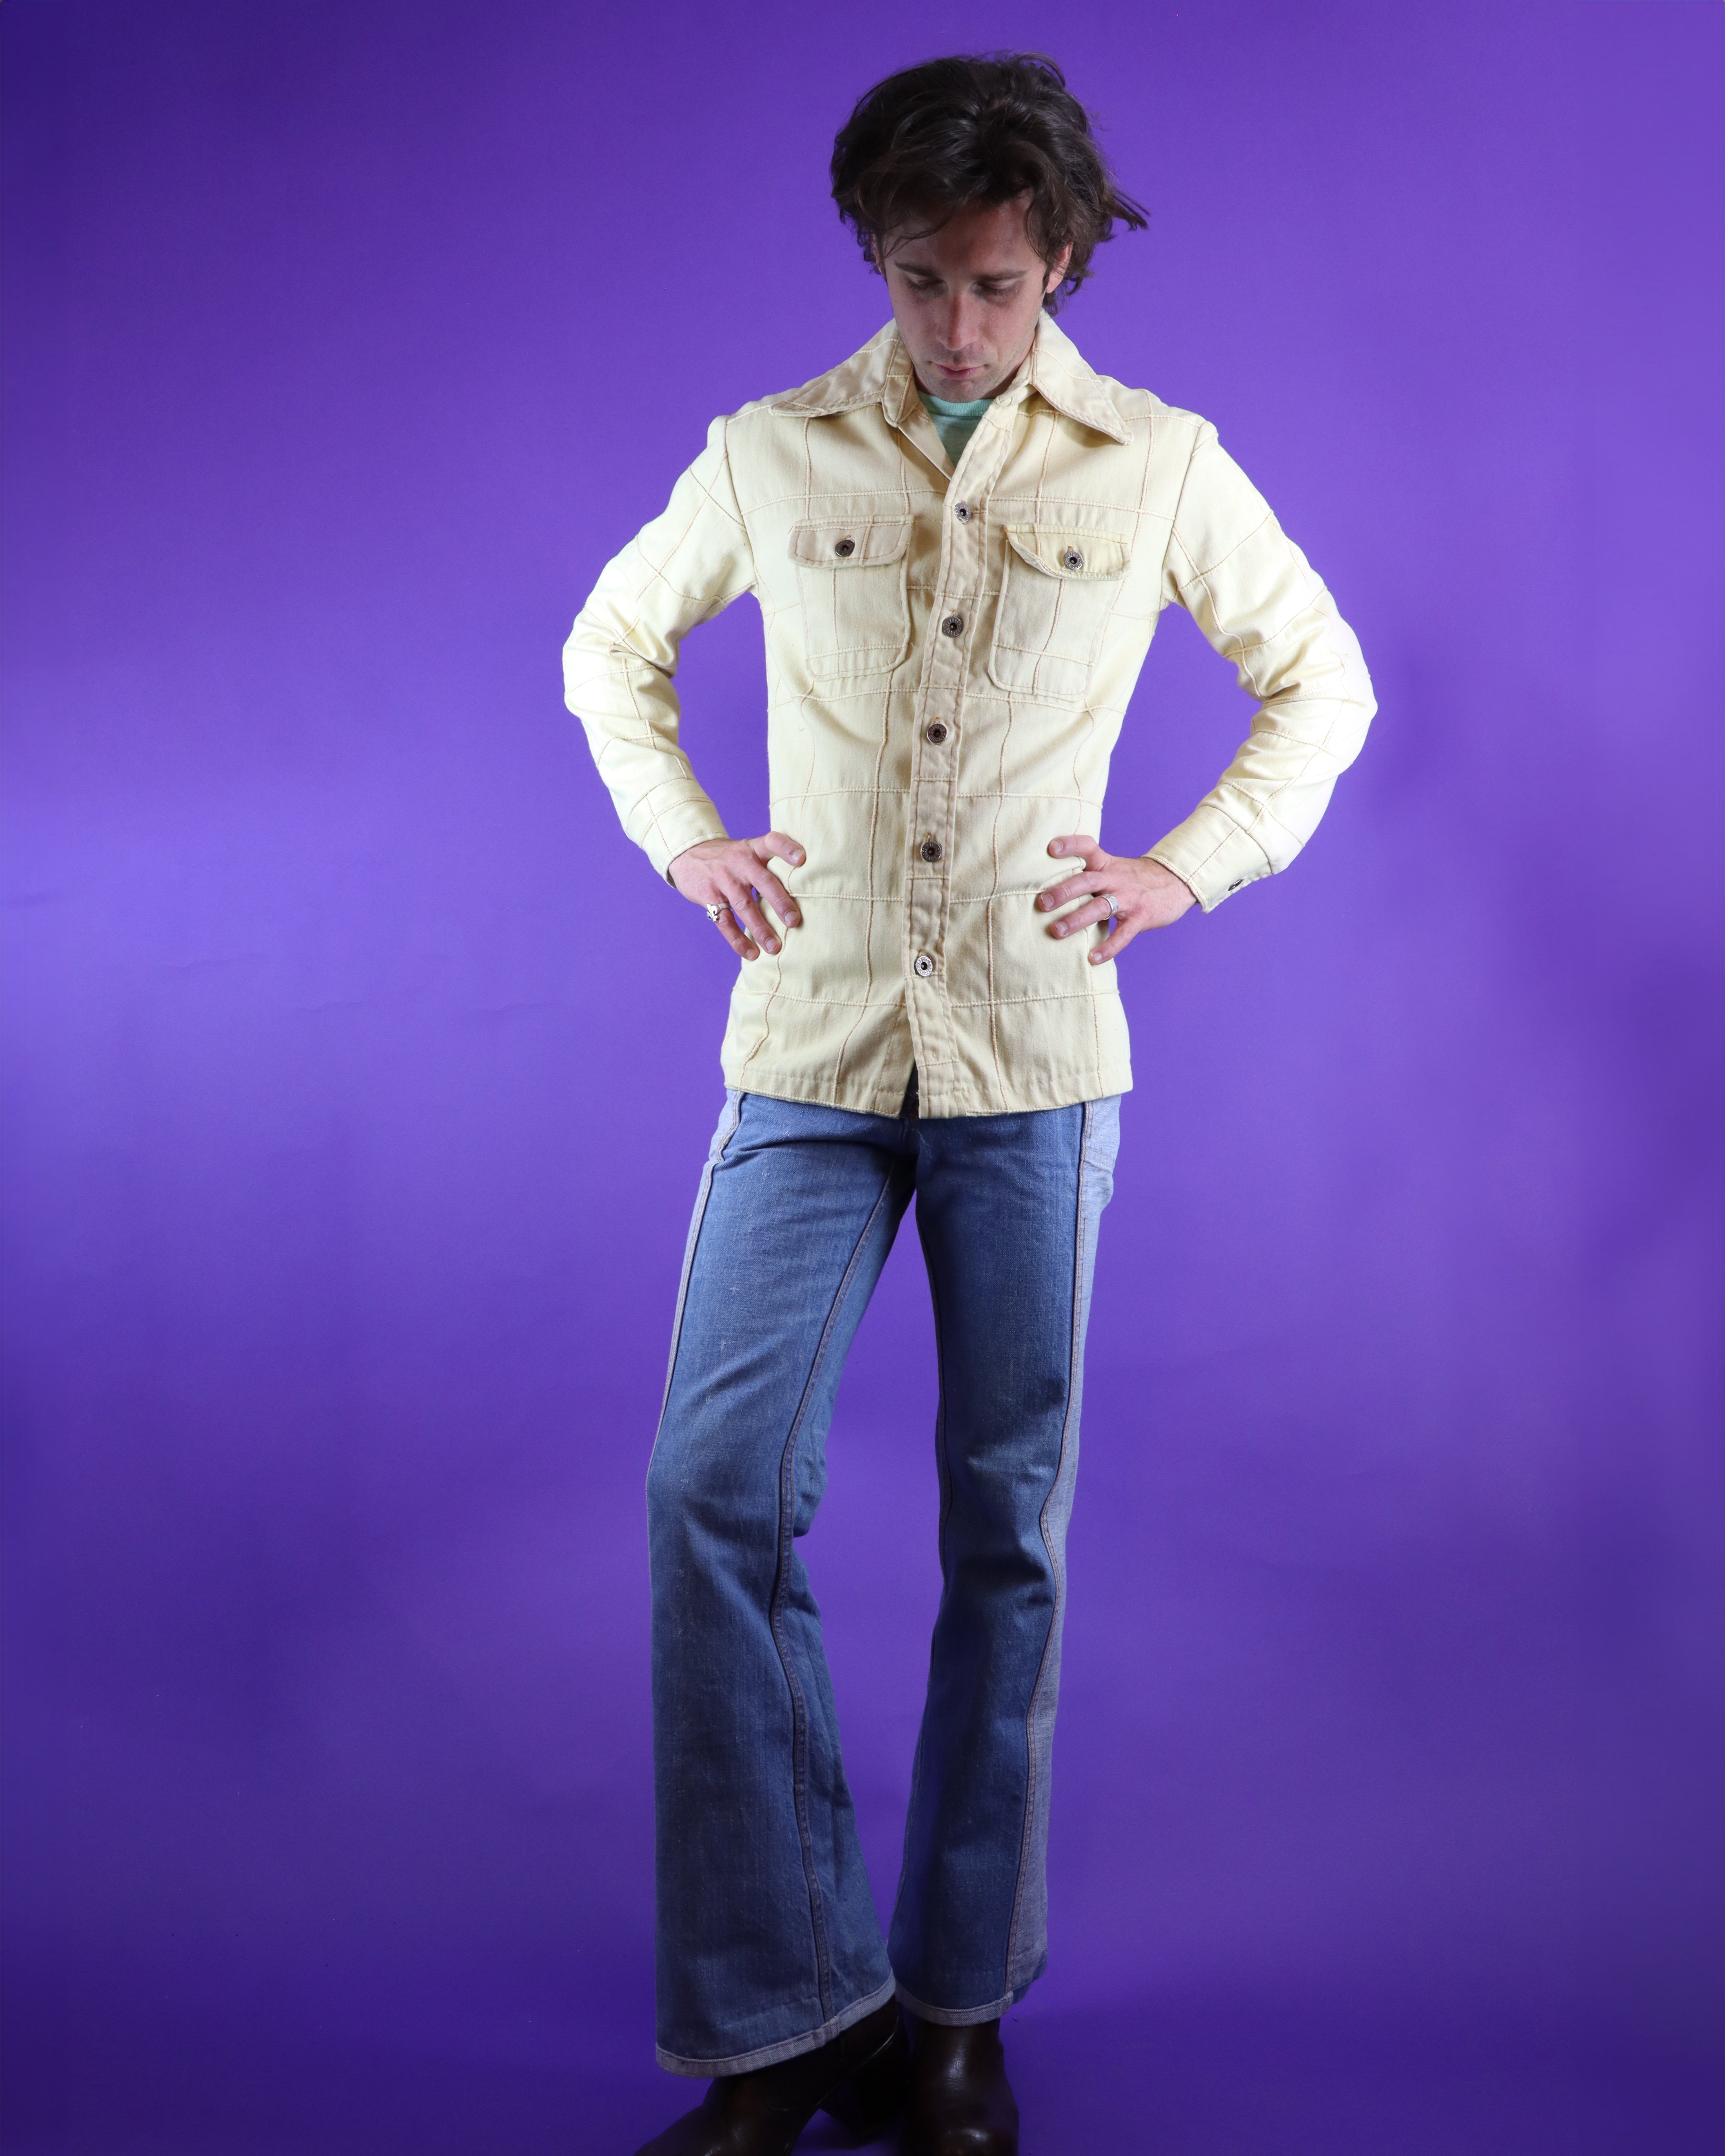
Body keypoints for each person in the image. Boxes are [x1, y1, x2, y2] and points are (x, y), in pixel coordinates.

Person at [563, 51, 1375, 2156]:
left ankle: (951, 2013)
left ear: (1064, 261)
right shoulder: (767, 451)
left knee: (1006, 1530)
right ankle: (786, 2016)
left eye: (996, 285)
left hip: (1034, 1063)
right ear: (877, 257)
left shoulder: (1161, 463)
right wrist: (683, 836)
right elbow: (610, 647)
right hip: (811, 1051)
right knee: (709, 1492)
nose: (955, 326)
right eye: (920, 280)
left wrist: (1185, 866)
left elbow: (1323, 681)